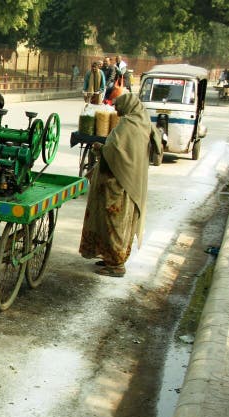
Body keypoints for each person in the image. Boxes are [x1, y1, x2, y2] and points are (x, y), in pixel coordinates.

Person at [79, 93, 151, 278]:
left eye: (119, 107)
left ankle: (116, 265)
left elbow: (115, 151)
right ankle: (109, 257)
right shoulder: (142, 122)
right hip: (127, 181)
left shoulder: (128, 125)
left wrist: (99, 148)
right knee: (111, 222)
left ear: (127, 106)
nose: (117, 111)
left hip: (118, 184)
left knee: (114, 223)